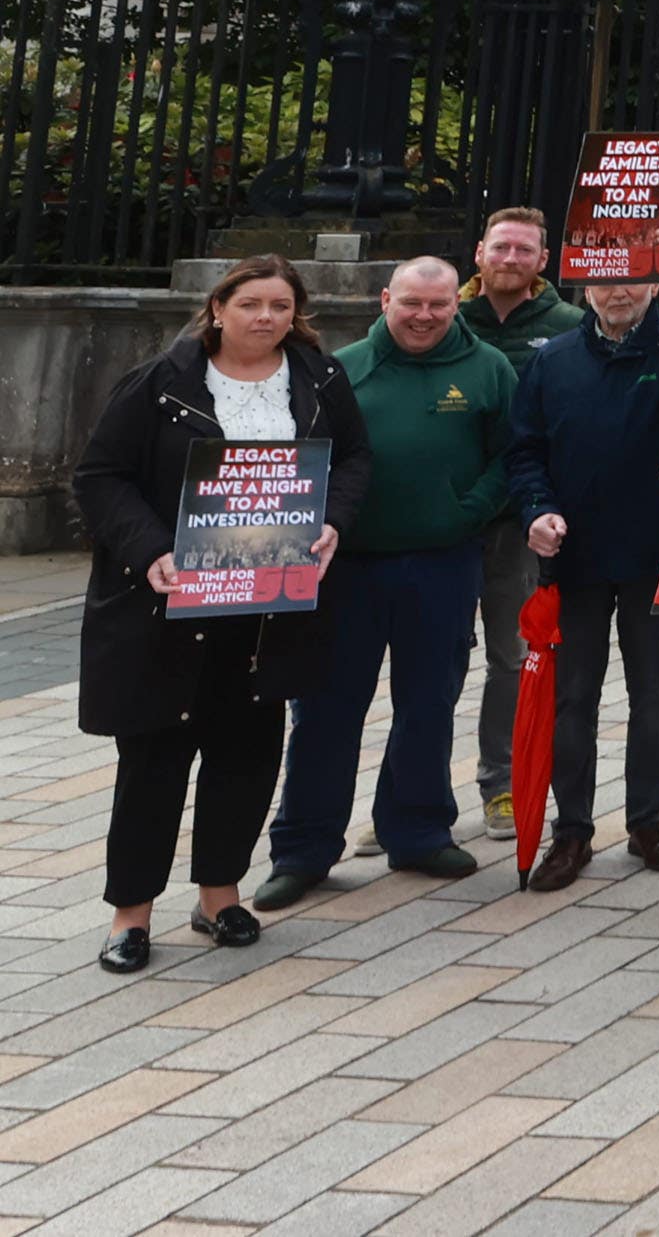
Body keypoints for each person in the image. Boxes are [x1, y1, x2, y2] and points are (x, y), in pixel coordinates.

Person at [78, 255, 374, 969]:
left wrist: (333, 518)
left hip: (271, 604)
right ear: (218, 308)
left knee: (246, 751)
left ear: (294, 313)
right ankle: (130, 914)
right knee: (154, 758)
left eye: (279, 304)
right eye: (250, 303)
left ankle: (219, 896)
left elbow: (356, 457)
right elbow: (101, 475)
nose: (265, 317)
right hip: (171, 603)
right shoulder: (162, 382)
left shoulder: (318, 378)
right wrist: (150, 549)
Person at [254, 257, 516, 910]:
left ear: (458, 301)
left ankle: (420, 829)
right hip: (346, 569)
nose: (424, 315)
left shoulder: (489, 368)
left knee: (430, 701)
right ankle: (304, 848)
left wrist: (469, 510)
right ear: (384, 299)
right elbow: (299, 456)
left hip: (443, 561)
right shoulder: (339, 370)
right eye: (411, 303)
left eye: (439, 303)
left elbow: (514, 453)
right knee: (324, 710)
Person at [504, 211, 659, 894]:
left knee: (656, 692)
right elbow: (525, 449)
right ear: (584, 284)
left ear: (656, 285)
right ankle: (572, 830)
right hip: (577, 555)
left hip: (656, 549)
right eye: (604, 278)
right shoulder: (551, 358)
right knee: (573, 695)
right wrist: (537, 510)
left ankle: (648, 820)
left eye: (633, 277)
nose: (618, 289)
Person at [457, 206, 580, 840]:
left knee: (512, 658)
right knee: (437, 662)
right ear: (479, 253)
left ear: (543, 261)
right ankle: (407, 789)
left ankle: (500, 783)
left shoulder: (567, 326)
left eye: (523, 251)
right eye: (500, 247)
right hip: (445, 521)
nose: (510, 259)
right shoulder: (441, 316)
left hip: (520, 521)